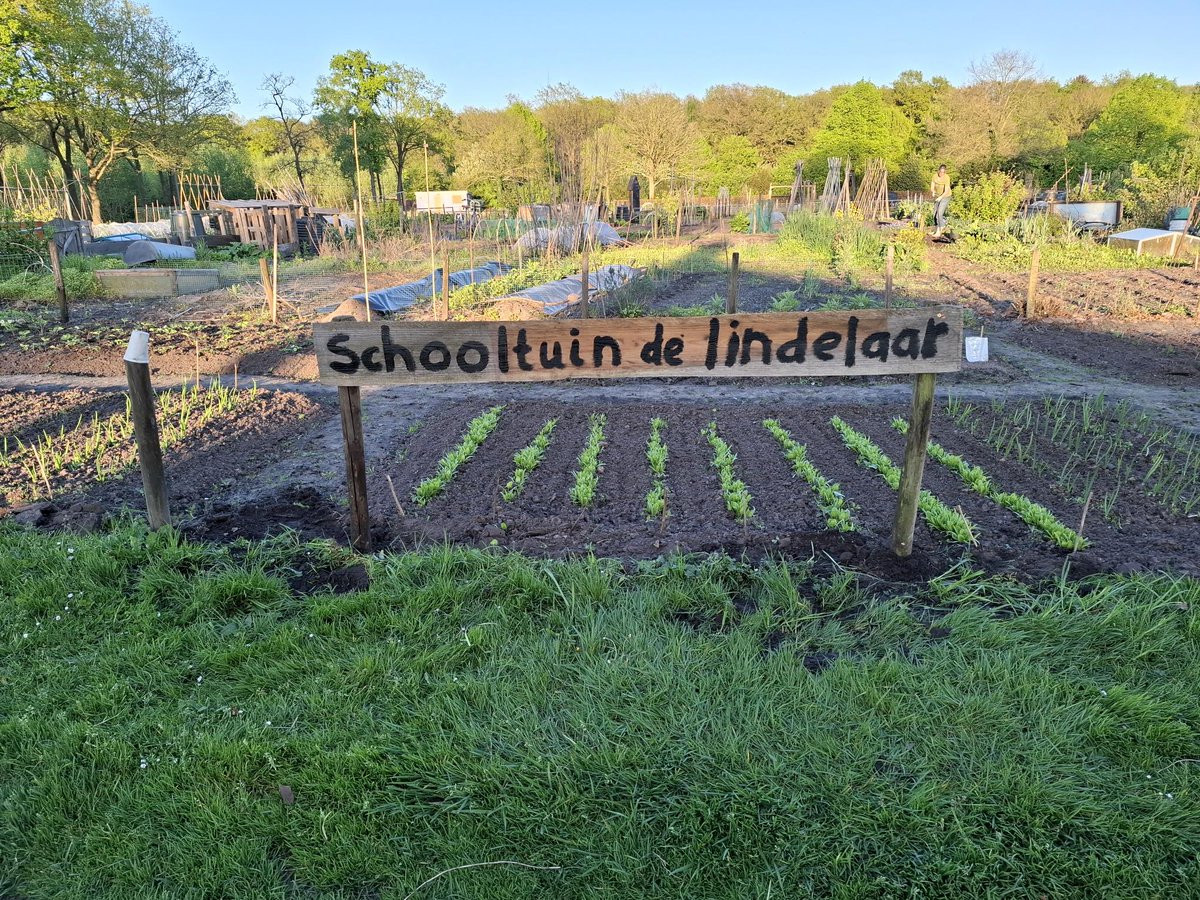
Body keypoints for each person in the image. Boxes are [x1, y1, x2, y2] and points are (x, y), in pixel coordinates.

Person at [930, 165, 951, 237]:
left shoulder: (947, 178)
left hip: (945, 197)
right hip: (937, 196)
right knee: (935, 214)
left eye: (943, 172)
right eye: (941, 172)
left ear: (945, 172)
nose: (942, 174)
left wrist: (941, 197)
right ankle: (936, 229)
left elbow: (946, 190)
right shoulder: (934, 176)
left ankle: (940, 230)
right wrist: (933, 191)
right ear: (938, 171)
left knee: (939, 213)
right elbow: (932, 186)